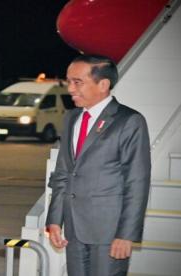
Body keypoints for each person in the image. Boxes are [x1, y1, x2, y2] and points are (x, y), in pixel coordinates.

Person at [46, 54, 151, 276]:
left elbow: (137, 181)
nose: (70, 89)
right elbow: (63, 172)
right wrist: (54, 220)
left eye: (78, 82)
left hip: (109, 232)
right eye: (68, 81)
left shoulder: (129, 121)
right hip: (74, 228)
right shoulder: (72, 118)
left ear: (103, 84)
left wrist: (126, 234)